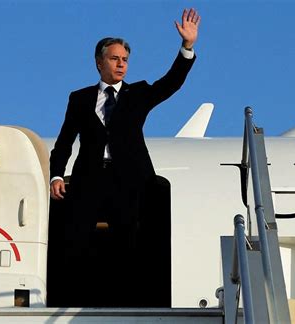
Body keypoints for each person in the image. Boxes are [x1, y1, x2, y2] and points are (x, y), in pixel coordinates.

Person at [48, 8, 200, 307]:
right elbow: (65, 141)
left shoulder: (139, 93)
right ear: (99, 62)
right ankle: (73, 298)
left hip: (129, 180)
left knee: (128, 242)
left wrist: (187, 48)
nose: (121, 64)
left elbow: (171, 82)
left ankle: (129, 301)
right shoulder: (79, 98)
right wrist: (56, 174)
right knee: (77, 241)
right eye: (115, 58)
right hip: (89, 178)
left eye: (125, 60)